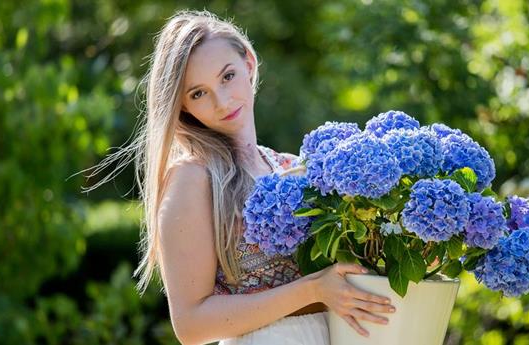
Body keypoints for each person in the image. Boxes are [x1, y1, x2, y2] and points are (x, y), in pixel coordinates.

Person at [87, 9, 395, 345]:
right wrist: (311, 289)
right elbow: (191, 325)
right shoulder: (193, 178)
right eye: (198, 93)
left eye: (227, 76)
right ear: (183, 107)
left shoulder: (292, 166)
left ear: (248, 63)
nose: (221, 101)